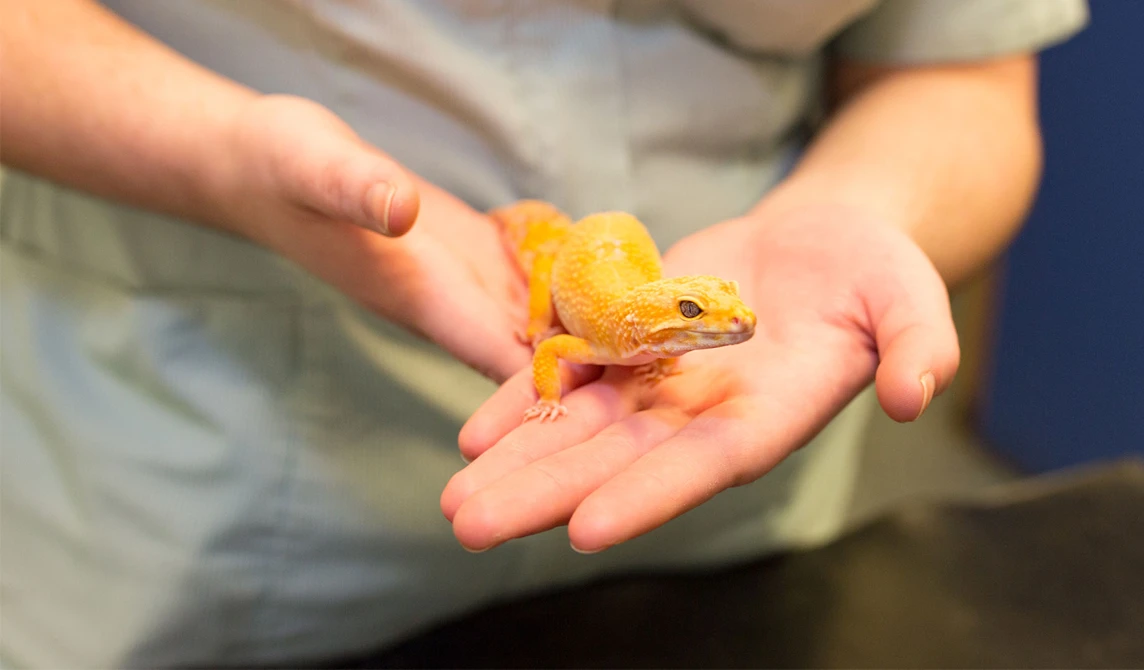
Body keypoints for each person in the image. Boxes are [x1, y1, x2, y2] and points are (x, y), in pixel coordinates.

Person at [0, 0, 1088, 667]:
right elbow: (559, 343)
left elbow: (964, 74)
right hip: (186, 492)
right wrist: (211, 155)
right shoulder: (601, 324)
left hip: (731, 504)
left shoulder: (661, 327)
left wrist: (856, 208)